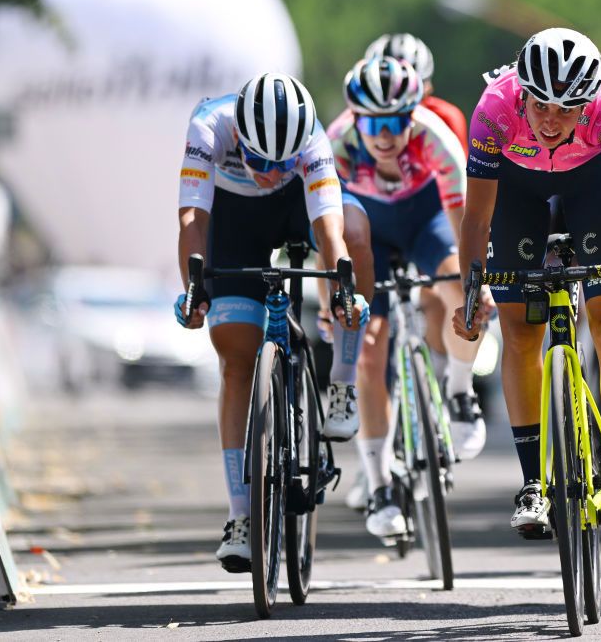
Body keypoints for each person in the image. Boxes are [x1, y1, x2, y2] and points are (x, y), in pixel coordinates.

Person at [452, 28, 601, 534]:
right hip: (517, 191)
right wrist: (469, 293)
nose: (550, 120)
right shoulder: (493, 111)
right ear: (521, 93)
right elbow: (477, 219)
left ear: (587, 103)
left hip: (590, 188)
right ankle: (531, 483)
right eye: (541, 105)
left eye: (566, 110)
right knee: (521, 332)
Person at [175, 73, 369, 572]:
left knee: (356, 232)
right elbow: (193, 219)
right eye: (260, 160)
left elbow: (329, 230)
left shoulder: (312, 141)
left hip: (294, 207)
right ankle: (241, 516)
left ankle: (343, 383)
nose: (267, 170)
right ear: (240, 135)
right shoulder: (209, 125)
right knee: (236, 362)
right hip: (234, 218)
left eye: (280, 163)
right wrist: (194, 290)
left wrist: (343, 292)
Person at [326, 56, 487, 541]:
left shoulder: (435, 139)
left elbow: (465, 225)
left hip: (426, 222)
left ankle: (459, 391)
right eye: (372, 122)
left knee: (463, 293)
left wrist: (476, 286)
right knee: (368, 351)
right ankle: (378, 484)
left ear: (412, 115)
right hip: (365, 230)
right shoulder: (337, 146)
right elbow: (325, 238)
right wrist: (334, 308)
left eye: (396, 122)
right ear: (356, 118)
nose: (384, 135)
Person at [365, 32, 468, 155]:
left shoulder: (447, 118)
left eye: (410, 92)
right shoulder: (349, 124)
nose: (396, 105)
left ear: (427, 89)